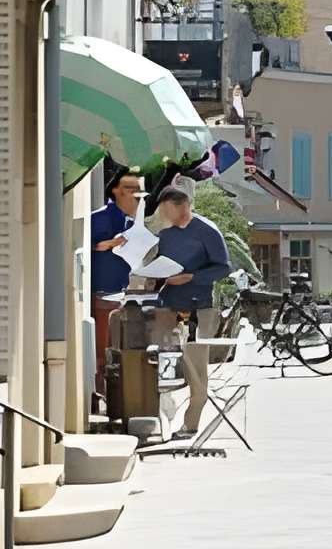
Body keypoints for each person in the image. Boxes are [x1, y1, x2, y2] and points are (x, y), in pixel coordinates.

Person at [133, 184, 232, 434]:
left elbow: (223, 268)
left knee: (195, 365)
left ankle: (191, 423)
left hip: (200, 307)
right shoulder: (166, 235)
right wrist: (152, 278)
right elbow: (162, 264)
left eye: (168, 211)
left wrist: (191, 277)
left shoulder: (207, 231)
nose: (165, 216)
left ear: (183, 206)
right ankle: (161, 416)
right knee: (164, 361)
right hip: (168, 305)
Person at [90, 170, 145, 351]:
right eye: (130, 190)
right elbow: (90, 244)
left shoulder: (131, 222)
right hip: (100, 292)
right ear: (116, 191)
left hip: (121, 292)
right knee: (103, 344)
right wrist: (112, 243)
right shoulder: (98, 218)